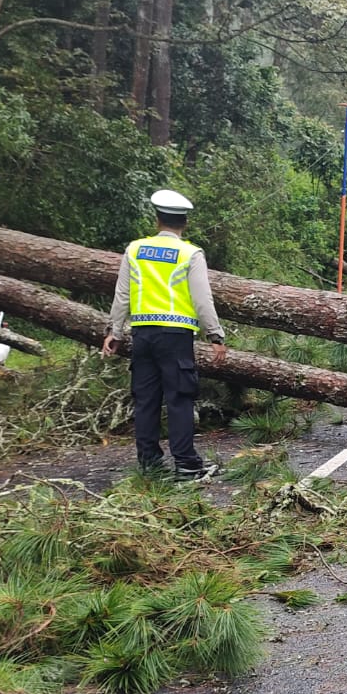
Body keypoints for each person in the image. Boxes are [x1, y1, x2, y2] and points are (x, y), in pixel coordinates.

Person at [101, 189, 227, 481]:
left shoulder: (135, 249)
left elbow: (122, 295)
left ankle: (149, 464)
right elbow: (202, 298)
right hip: (175, 336)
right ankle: (186, 465)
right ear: (184, 223)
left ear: (157, 220)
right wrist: (215, 335)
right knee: (179, 398)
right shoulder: (190, 253)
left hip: (142, 335)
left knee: (146, 400)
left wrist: (114, 331)